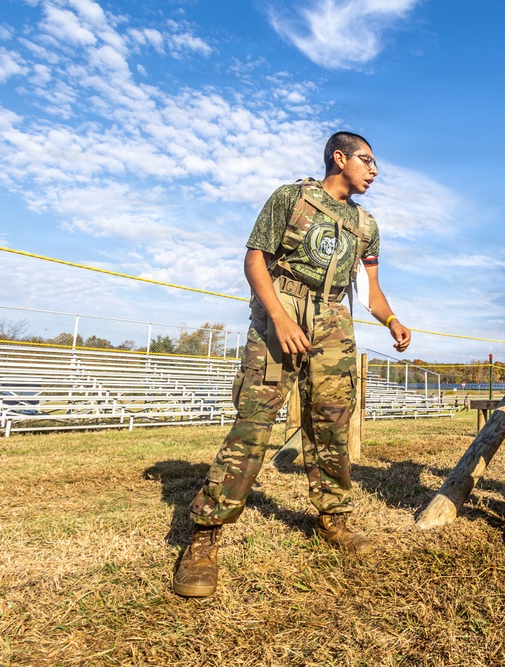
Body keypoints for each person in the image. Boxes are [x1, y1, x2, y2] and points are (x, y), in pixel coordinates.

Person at [173, 131, 411, 598]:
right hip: (279, 312)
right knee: (254, 424)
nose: (374, 170)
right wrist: (279, 319)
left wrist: (392, 320)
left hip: (334, 321)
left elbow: (369, 290)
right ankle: (205, 537)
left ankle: (334, 519)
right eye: (367, 160)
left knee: (332, 425)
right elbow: (255, 261)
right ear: (339, 158)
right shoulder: (291, 197)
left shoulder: (366, 224)